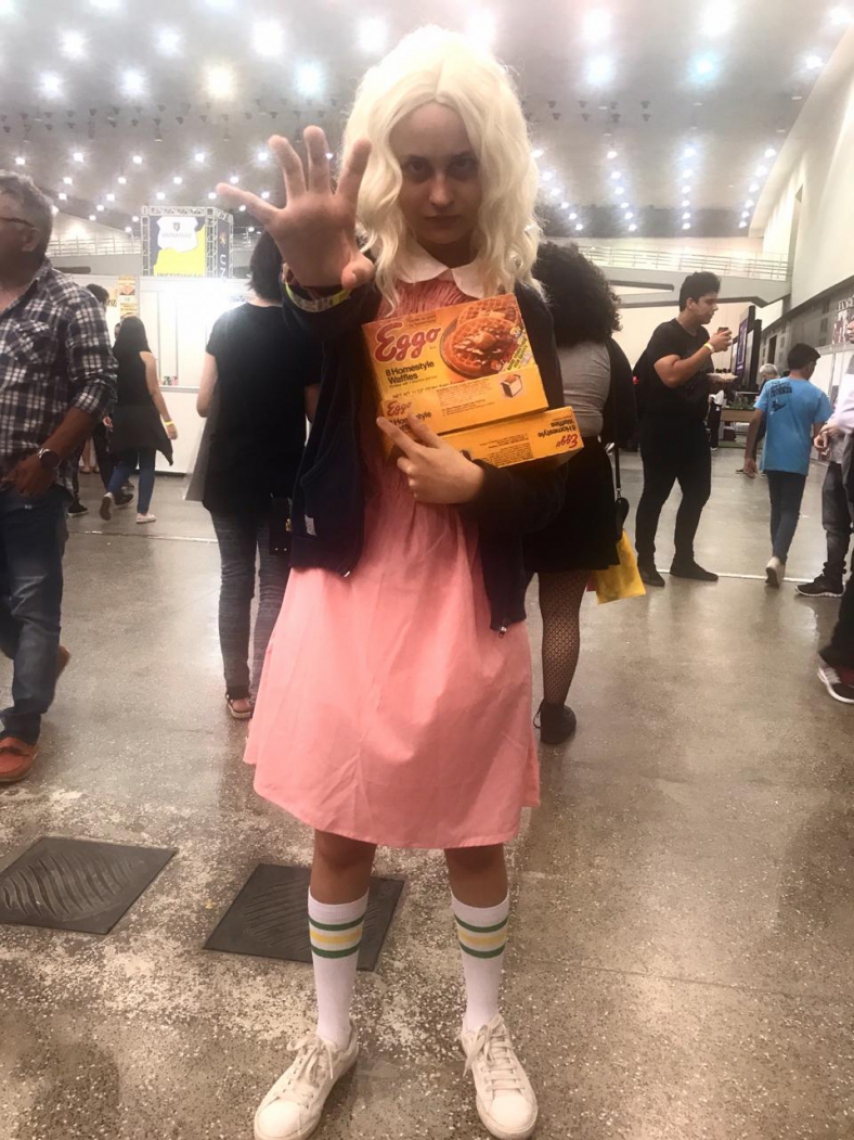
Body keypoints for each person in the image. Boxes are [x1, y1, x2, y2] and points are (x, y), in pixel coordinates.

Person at [219, 28, 568, 1140]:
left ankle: (482, 1024)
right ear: (387, 171)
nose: (439, 191)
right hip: (350, 589)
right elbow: (283, 379)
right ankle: (328, 1035)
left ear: (495, 166)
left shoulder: (520, 301)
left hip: (466, 595)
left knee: (475, 831)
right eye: (416, 166)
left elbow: (556, 484)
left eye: (461, 164)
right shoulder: (348, 284)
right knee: (339, 829)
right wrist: (311, 278)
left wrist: (482, 485)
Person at [0, 172, 115, 781]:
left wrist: (48, 458)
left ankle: (21, 724)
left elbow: (98, 385)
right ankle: (41, 661)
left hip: (30, 483)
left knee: (33, 602)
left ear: (28, 234)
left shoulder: (70, 301)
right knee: (21, 614)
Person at [198, 232, 322, 719]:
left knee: (234, 580)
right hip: (281, 481)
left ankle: (236, 691)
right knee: (274, 584)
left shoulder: (225, 324)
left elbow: (203, 402)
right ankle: (265, 688)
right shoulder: (301, 331)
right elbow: (315, 414)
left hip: (227, 475)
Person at [523, 242, 637, 745]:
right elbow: (624, 425)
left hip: (512, 473)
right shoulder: (606, 349)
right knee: (561, 613)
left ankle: (492, 709)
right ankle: (553, 716)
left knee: (499, 608)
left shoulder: (511, 337)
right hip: (582, 477)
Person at [634, 271, 733, 588]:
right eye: (709, 301)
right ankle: (644, 561)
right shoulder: (666, 333)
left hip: (692, 428)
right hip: (662, 428)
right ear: (690, 302)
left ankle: (683, 559)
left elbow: (693, 377)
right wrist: (709, 348)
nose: (714, 307)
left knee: (698, 492)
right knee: (655, 495)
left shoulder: (699, 335)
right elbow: (671, 376)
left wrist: (713, 380)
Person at [743, 343, 832, 588]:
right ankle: (778, 557)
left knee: (777, 508)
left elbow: (755, 419)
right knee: (790, 510)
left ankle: (777, 559)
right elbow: (820, 434)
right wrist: (823, 448)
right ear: (808, 365)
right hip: (796, 459)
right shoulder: (817, 395)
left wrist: (748, 454)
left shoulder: (771, 387)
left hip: (772, 457)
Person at [99, 316, 176, 524]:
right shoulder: (146, 357)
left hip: (122, 414)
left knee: (126, 461)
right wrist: (168, 421)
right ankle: (142, 512)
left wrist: (106, 413)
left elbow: (107, 388)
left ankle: (110, 492)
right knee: (147, 463)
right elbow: (154, 391)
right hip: (145, 414)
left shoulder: (112, 357)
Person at [816, 373, 854, 703]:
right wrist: (831, 428)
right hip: (842, 466)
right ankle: (841, 660)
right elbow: (845, 415)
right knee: (836, 528)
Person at [737, 362, 779, 476]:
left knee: (763, 440)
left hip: (769, 417)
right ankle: (752, 464)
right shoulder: (767, 383)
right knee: (756, 440)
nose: (763, 378)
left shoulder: (775, 384)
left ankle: (762, 467)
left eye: (764, 375)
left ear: (771, 373)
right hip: (765, 415)